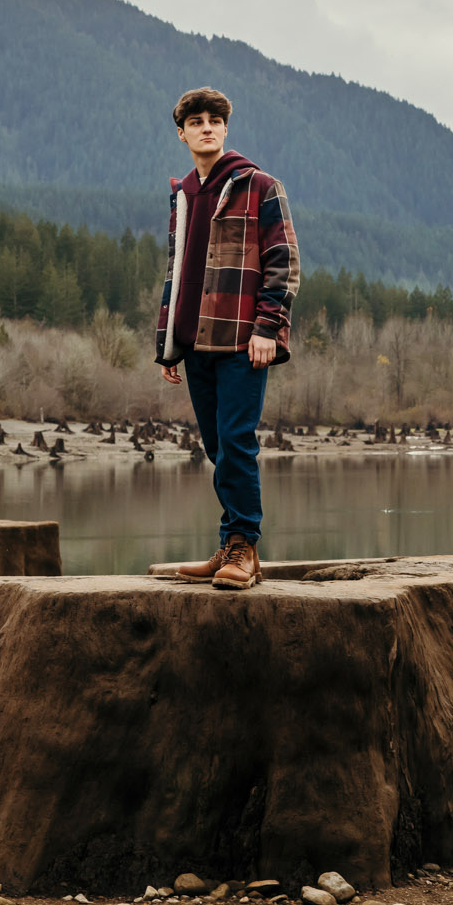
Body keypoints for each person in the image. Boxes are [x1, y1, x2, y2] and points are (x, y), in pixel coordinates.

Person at [156, 86, 298, 589]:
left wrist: (267, 328)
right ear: (183, 133)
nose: (207, 127)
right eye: (196, 121)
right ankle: (231, 547)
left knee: (236, 442)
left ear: (226, 128)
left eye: (215, 119)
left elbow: (284, 263)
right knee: (217, 446)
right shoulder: (184, 194)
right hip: (195, 342)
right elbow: (177, 273)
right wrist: (168, 344)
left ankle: (243, 547)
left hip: (242, 339)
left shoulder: (260, 186)